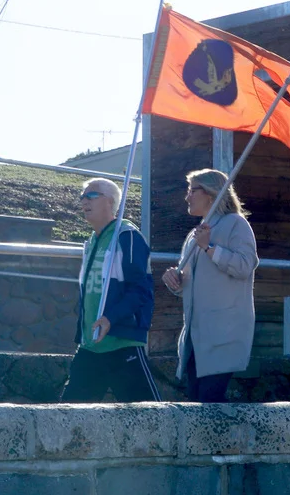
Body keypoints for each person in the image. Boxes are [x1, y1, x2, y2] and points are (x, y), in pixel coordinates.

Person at [162, 169, 257, 403]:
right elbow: (190, 284)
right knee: (197, 403)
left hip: (223, 334)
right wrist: (175, 280)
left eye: (192, 190)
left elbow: (245, 266)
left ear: (211, 193)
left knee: (210, 401)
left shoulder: (236, 224)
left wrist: (209, 248)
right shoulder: (194, 235)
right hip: (196, 337)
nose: (187, 197)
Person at [61, 178, 159, 403]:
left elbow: (141, 290)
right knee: (69, 415)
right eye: (82, 196)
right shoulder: (91, 241)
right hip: (90, 346)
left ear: (111, 201)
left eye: (91, 195)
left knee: (147, 414)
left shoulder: (128, 236)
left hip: (122, 343)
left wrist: (110, 318)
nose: (84, 200)